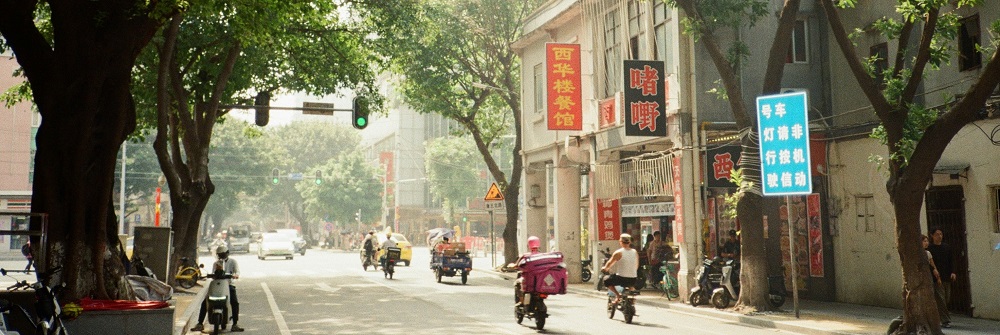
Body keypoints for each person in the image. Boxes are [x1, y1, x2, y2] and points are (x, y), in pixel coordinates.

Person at [190, 245, 243, 332]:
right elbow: (213, 274)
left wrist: (235, 275)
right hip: (217, 284)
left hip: (229, 285)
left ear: (227, 253)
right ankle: (200, 323)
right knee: (205, 302)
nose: (222, 256)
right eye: (220, 254)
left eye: (223, 254)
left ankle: (235, 324)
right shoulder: (216, 263)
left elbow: (237, 272)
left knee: (234, 302)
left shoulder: (233, 262)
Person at [602, 233, 639, 306]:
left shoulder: (619, 252)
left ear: (620, 242)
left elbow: (609, 263)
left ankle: (618, 295)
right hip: (633, 278)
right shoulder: (635, 252)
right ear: (629, 242)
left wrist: (605, 268)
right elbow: (636, 265)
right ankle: (632, 299)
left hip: (621, 278)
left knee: (606, 280)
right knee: (631, 286)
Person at [927, 227, 954, 328]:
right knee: (941, 299)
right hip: (936, 278)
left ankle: (937, 317)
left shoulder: (946, 247)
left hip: (946, 276)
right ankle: (945, 320)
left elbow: (951, 260)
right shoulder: (929, 249)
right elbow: (929, 263)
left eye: (941, 234)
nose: (939, 236)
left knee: (946, 298)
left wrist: (953, 272)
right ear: (932, 235)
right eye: (937, 234)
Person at [514, 236, 542, 306]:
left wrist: (514, 266)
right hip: (540, 280)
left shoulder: (525, 256)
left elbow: (518, 265)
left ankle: (521, 301)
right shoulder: (542, 256)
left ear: (528, 245)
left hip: (528, 281)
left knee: (517, 284)